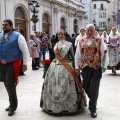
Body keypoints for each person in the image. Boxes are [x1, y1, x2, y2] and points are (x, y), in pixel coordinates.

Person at [40, 29, 86, 114]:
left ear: (65, 35)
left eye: (62, 34)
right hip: (55, 66)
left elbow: (73, 56)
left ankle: (68, 106)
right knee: (53, 84)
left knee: (65, 84)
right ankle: (53, 105)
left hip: (66, 66)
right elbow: (53, 56)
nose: (60, 36)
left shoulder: (69, 44)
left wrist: (76, 67)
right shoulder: (56, 44)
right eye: (59, 34)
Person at [75, 24, 109, 118]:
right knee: (85, 86)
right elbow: (77, 55)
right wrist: (77, 67)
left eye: (91, 30)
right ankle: (93, 99)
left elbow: (104, 52)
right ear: (85, 31)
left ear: (94, 31)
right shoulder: (80, 41)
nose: (89, 32)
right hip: (85, 68)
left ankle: (93, 109)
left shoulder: (99, 40)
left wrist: (104, 65)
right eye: (88, 30)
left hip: (96, 68)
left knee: (94, 88)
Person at [0, 19, 29, 116]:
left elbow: (25, 50)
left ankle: (13, 106)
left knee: (10, 84)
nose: (4, 26)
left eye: (6, 25)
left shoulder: (18, 36)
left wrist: (24, 64)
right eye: (3, 25)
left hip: (12, 63)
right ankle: (11, 103)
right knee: (6, 84)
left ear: (11, 26)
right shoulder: (0, 35)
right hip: (2, 64)